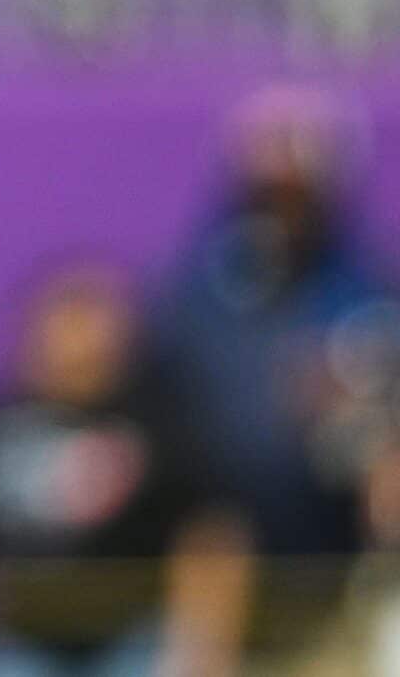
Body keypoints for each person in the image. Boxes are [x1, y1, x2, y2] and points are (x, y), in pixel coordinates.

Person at [0, 264, 249, 677]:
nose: (82, 338)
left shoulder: (161, 431)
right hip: (16, 645)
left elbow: (211, 541)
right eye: (67, 316)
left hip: (132, 644)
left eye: (96, 317)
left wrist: (202, 658)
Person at [148, 89, 400, 676]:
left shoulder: (372, 294)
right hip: (212, 565)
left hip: (348, 561)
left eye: (300, 189)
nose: (283, 206)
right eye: (269, 187)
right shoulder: (197, 300)